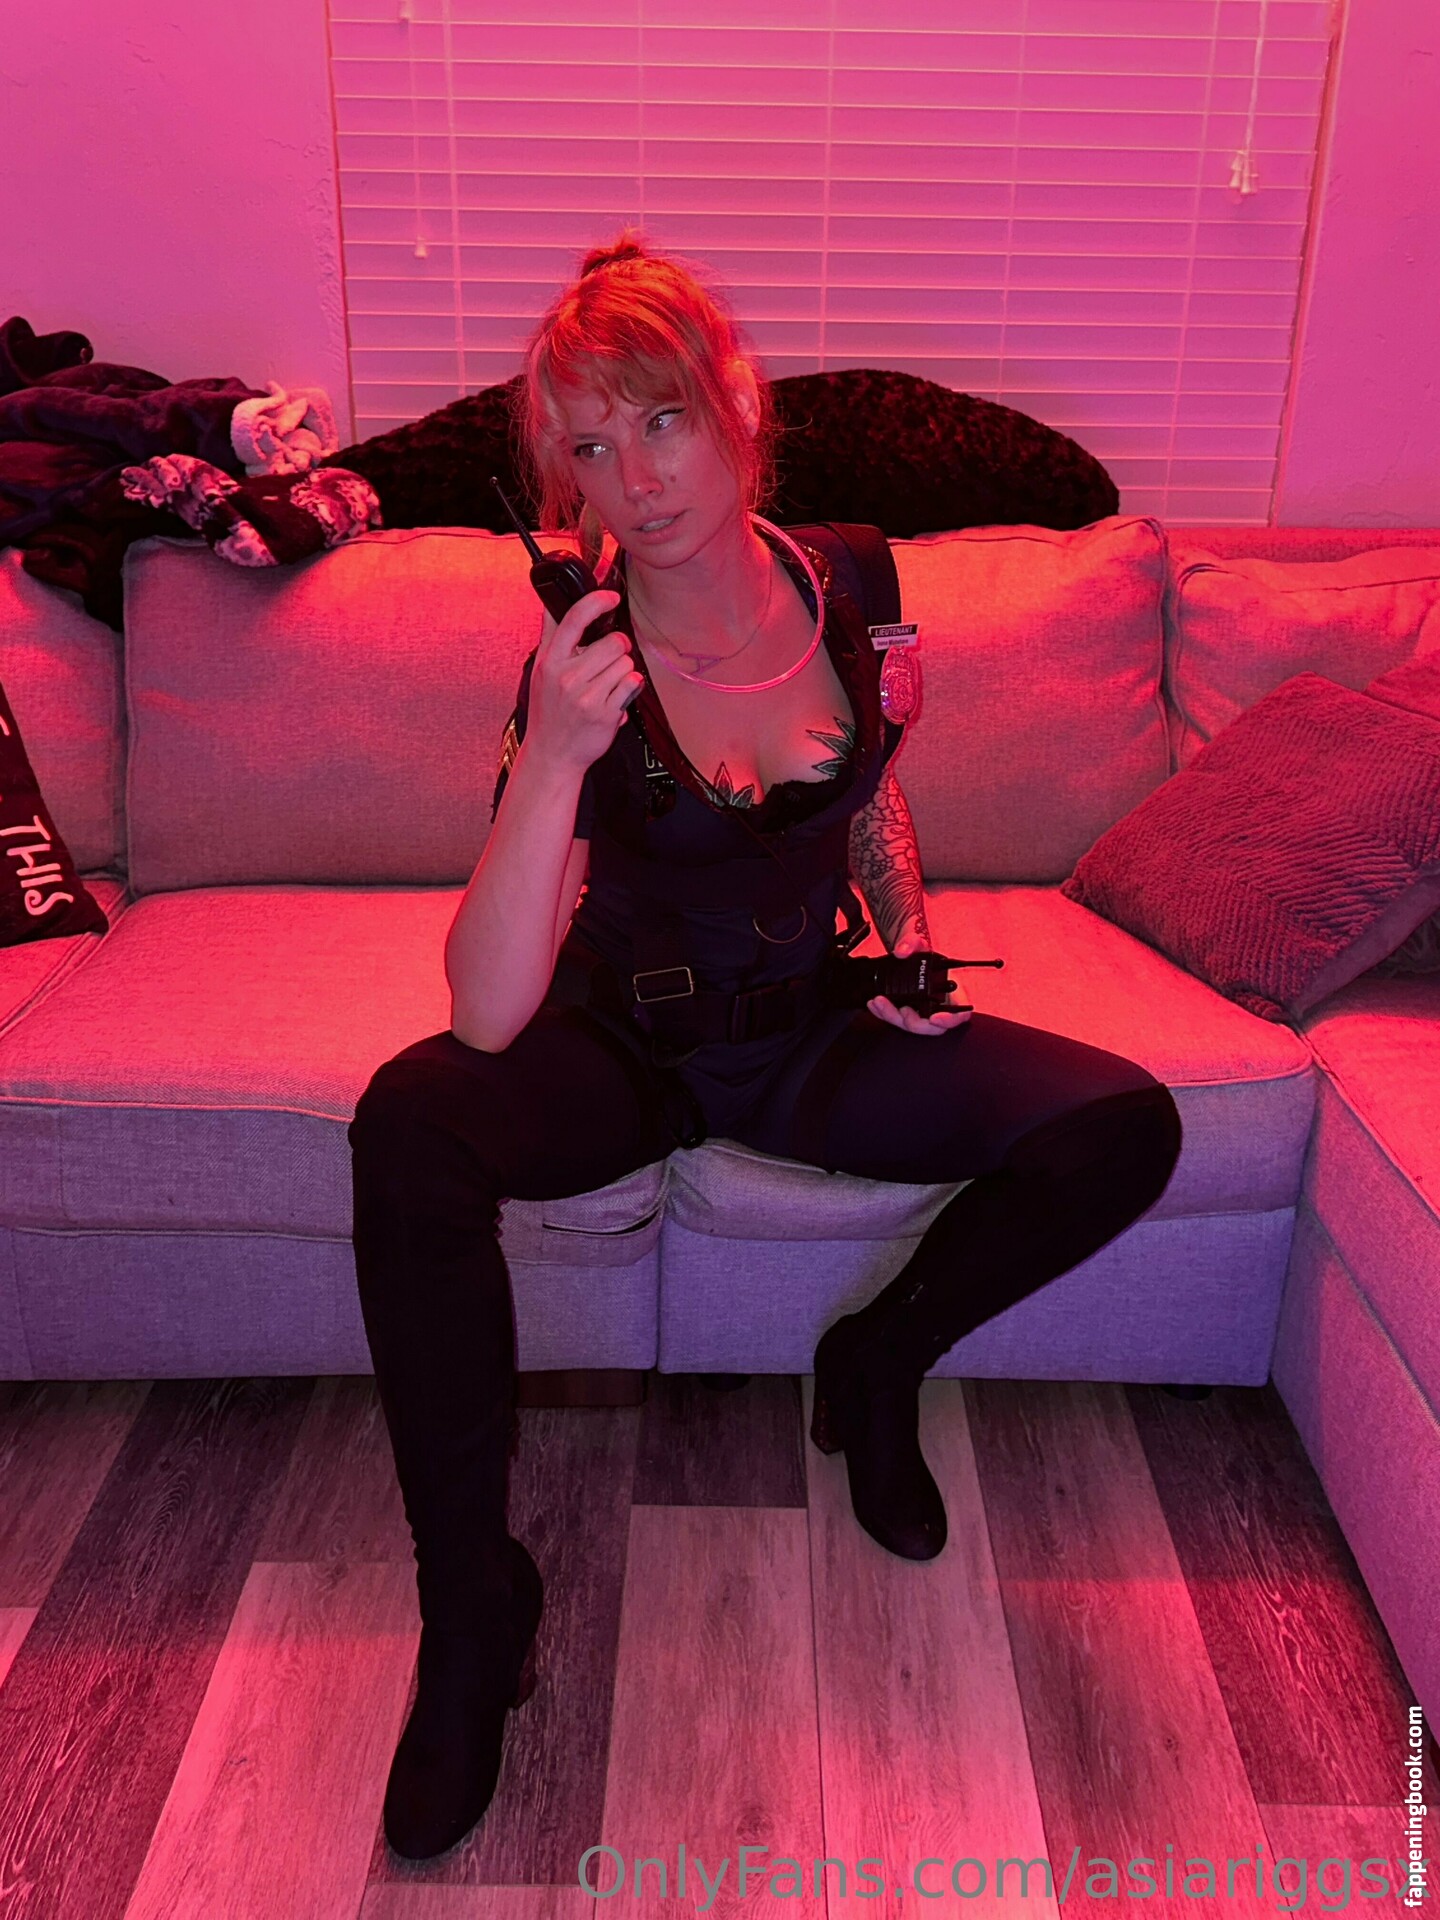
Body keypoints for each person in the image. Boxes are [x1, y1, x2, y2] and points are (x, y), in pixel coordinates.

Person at [347, 230, 1183, 1862]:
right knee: (410, 1122)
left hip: (808, 1027)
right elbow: (488, 1011)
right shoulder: (580, 654)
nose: (636, 481)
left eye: (659, 420)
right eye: (590, 449)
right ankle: (472, 1612)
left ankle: (877, 1360)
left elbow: (872, 797)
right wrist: (555, 753)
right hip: (624, 1045)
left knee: (1122, 1125)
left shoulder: (854, 580)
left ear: (734, 399)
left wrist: (907, 935)